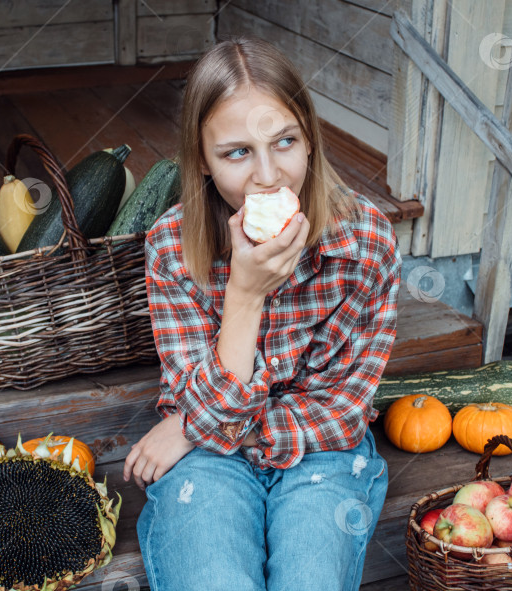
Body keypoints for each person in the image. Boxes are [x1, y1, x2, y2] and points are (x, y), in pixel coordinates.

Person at [122, 35, 401, 591]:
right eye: (237, 152)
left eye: (284, 142)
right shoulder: (173, 247)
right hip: (208, 458)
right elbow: (190, 390)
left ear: (310, 140)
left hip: (318, 451)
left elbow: (343, 411)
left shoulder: (365, 242)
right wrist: (245, 296)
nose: (269, 175)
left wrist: (194, 426)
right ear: (202, 159)